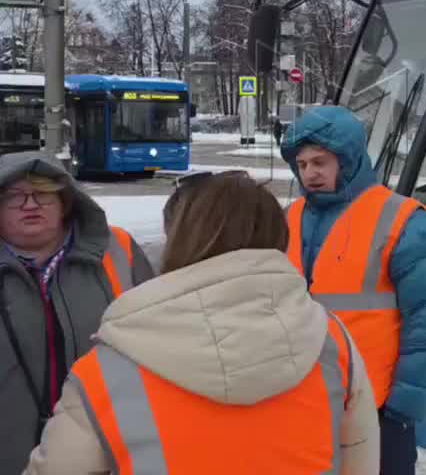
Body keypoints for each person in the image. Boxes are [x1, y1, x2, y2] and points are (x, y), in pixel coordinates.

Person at [23, 171, 380, 475]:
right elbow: (361, 460)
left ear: (180, 237)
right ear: (279, 239)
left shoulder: (111, 364)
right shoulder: (332, 344)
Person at [281, 106, 426, 475]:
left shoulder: (405, 222)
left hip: (378, 408)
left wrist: (404, 409)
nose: (310, 174)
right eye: (302, 164)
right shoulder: (291, 218)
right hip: (304, 402)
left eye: (320, 162)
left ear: (347, 160)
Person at [0, 151, 154, 475]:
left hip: (104, 453)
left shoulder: (119, 250)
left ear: (66, 202)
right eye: (15, 197)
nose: (30, 204)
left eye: (43, 193)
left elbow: (160, 339)